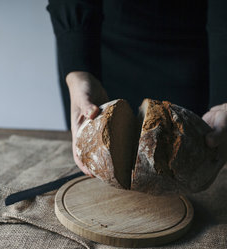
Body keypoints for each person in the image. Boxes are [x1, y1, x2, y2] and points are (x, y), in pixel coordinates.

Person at [47, 0, 227, 175]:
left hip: (202, 49)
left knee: (189, 161)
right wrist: (78, 72)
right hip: (95, 48)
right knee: (100, 159)